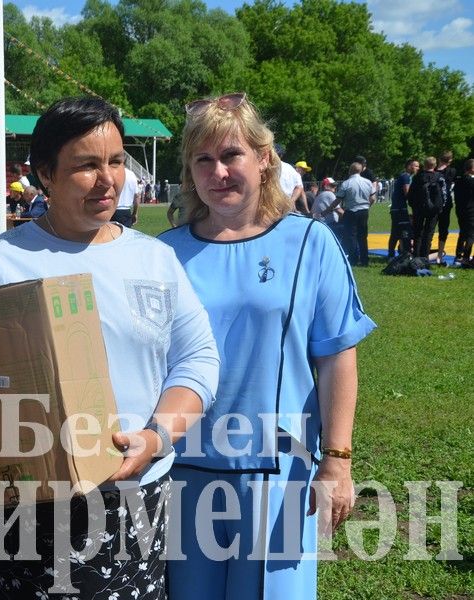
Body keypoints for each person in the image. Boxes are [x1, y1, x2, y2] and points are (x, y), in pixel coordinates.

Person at [0, 96, 219, 599]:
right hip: (30, 505)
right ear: (45, 175)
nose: (108, 180)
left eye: (117, 161)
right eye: (86, 165)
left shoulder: (155, 259)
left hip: (136, 494)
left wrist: (157, 438)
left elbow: (198, 359)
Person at [158, 92, 376, 599]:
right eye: (203, 160)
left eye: (231, 155)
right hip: (181, 471)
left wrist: (337, 461)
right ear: (190, 171)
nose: (219, 172)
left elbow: (338, 356)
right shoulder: (163, 254)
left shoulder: (309, 242)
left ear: (264, 158)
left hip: (280, 475)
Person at [336, 161, 375, 266]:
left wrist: (328, 209)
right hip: (364, 211)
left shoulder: (346, 183)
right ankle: (364, 260)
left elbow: (338, 199)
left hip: (351, 211)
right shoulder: (367, 182)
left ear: (350, 170)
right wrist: (367, 206)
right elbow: (373, 198)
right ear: (361, 170)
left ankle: (353, 259)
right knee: (363, 236)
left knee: (351, 236)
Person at [409, 156, 446, 260]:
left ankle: (416, 255)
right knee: (429, 233)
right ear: (435, 165)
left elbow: (411, 194)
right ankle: (425, 257)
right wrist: (440, 206)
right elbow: (444, 194)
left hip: (419, 208)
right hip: (434, 209)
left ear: (424, 165)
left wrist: (413, 205)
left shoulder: (417, 177)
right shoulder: (439, 177)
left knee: (418, 232)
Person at [388, 159, 419, 258]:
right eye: (416, 166)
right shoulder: (406, 177)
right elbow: (407, 193)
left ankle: (391, 254)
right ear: (409, 166)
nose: (418, 168)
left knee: (395, 231)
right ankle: (405, 254)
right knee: (404, 231)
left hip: (396, 208)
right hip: (400, 209)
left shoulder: (403, 176)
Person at [435, 151, 456, 265]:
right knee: (443, 229)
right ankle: (439, 255)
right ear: (450, 160)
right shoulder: (451, 171)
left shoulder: (433, 171)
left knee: (428, 229)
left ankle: (423, 253)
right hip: (445, 203)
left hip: (432, 204)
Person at [454, 158, 474, 265]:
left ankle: (458, 255)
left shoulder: (458, 179)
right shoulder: (470, 181)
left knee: (462, 232)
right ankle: (466, 257)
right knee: (471, 234)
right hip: (470, 210)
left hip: (460, 209)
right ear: (471, 169)